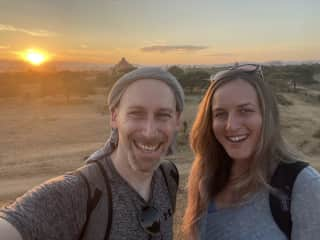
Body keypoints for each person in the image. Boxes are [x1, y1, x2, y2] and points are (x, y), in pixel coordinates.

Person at [0, 67, 184, 240]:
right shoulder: (78, 193)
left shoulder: (168, 177)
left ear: (176, 121)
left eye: (163, 115)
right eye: (136, 114)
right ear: (114, 117)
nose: (149, 132)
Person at [182, 64, 320, 240]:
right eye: (220, 114)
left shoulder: (304, 185)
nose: (231, 125)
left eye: (245, 111)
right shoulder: (205, 178)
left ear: (266, 115)